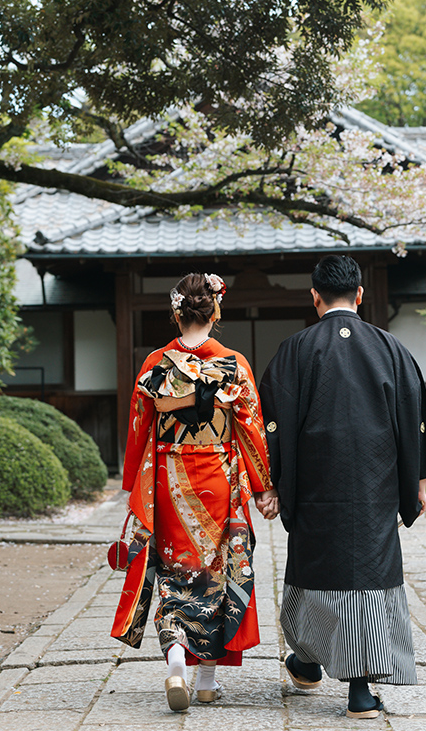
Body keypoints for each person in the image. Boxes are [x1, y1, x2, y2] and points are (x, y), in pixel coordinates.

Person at [258, 255, 426, 719]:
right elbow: (414, 421)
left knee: (315, 575)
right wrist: (417, 483)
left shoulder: (295, 349)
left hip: (314, 489)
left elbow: (272, 423)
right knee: (366, 578)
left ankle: (311, 661)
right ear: (360, 295)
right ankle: (352, 688)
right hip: (374, 487)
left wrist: (271, 484)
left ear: (314, 296)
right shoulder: (390, 348)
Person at [110, 273, 273, 712]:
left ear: (176, 313)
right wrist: (264, 487)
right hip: (219, 477)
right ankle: (206, 679)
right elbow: (252, 429)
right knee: (217, 572)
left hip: (170, 478)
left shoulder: (155, 365)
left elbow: (138, 428)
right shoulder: (234, 364)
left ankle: (178, 660)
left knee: (175, 570)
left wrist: (132, 484)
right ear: (215, 311)